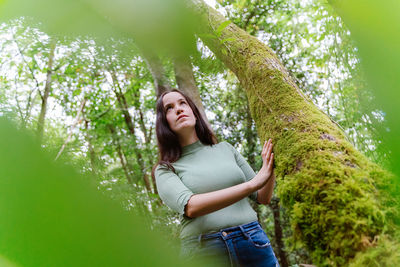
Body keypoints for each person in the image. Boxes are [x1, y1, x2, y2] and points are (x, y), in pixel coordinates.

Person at [153, 89, 279, 267]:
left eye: (183, 103)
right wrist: (252, 184)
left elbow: (262, 196)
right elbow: (191, 206)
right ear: (164, 122)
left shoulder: (226, 149)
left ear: (194, 112)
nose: (179, 109)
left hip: (251, 240)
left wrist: (270, 165)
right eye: (169, 108)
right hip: (203, 250)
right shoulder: (165, 168)